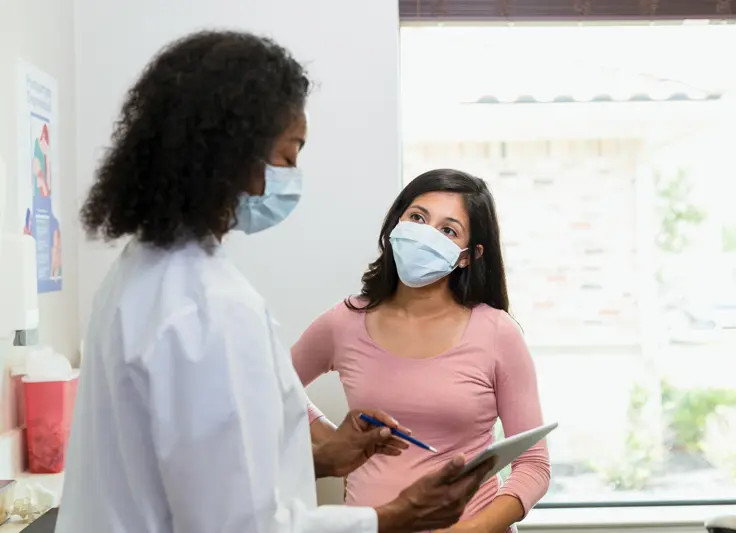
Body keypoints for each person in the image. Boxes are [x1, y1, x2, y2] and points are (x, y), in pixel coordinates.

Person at [55, 31, 493, 533]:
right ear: (231, 154)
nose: (291, 177)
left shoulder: (141, 272)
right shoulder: (208, 308)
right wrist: (395, 517)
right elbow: (238, 523)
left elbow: (207, 473)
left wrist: (326, 455)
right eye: (287, 155)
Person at [292, 169, 551, 533]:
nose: (426, 234)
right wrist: (336, 446)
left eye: (448, 230)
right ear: (397, 223)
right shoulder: (344, 321)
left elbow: (534, 465)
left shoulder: (497, 333)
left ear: (467, 256)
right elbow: (272, 387)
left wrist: (469, 531)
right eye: (417, 217)